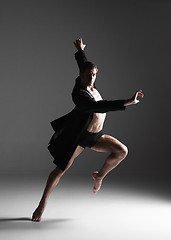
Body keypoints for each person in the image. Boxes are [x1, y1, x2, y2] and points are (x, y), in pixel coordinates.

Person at [32, 38, 144, 222]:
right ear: (81, 75)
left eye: (94, 75)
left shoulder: (89, 80)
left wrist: (80, 50)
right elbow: (101, 106)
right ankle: (42, 203)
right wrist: (127, 102)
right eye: (88, 75)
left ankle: (98, 176)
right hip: (80, 137)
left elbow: (84, 64)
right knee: (61, 168)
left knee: (122, 151)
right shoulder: (79, 94)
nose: (92, 78)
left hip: (95, 136)